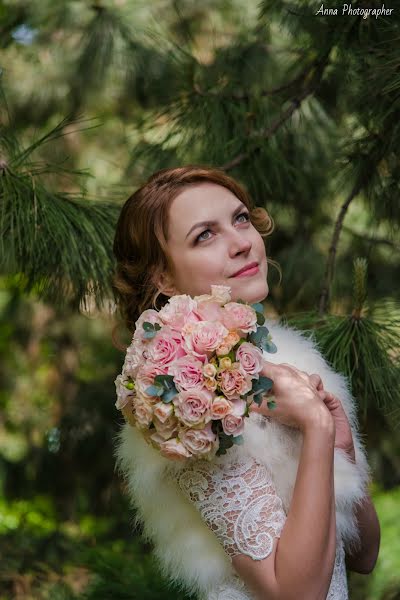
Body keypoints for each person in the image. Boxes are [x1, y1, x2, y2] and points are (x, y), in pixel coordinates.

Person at [112, 165, 380, 600]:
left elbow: (364, 554)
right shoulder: (181, 396)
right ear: (162, 276)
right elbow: (297, 595)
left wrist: (341, 448)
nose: (241, 243)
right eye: (205, 235)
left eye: (240, 219)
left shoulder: (287, 360)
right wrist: (316, 424)